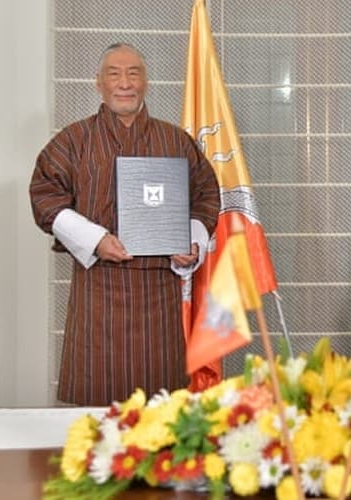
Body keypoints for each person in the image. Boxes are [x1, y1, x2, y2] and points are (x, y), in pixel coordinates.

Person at [29, 43, 220, 406]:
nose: (125, 82)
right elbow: (44, 194)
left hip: (159, 293)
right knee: (96, 418)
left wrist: (190, 241)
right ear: (98, 83)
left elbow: (206, 194)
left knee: (161, 413)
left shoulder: (175, 140)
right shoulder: (74, 140)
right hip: (98, 292)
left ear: (146, 82)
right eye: (114, 74)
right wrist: (95, 239)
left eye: (133, 73)